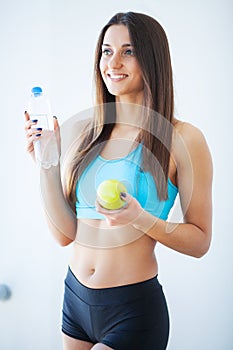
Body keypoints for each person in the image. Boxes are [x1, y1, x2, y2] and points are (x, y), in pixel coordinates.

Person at [24, 11, 213, 350]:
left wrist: (139, 218)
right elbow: (64, 234)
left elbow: (200, 241)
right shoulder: (88, 133)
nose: (113, 62)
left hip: (133, 309)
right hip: (75, 301)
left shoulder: (183, 139)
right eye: (106, 51)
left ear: (151, 58)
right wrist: (46, 164)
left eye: (128, 51)